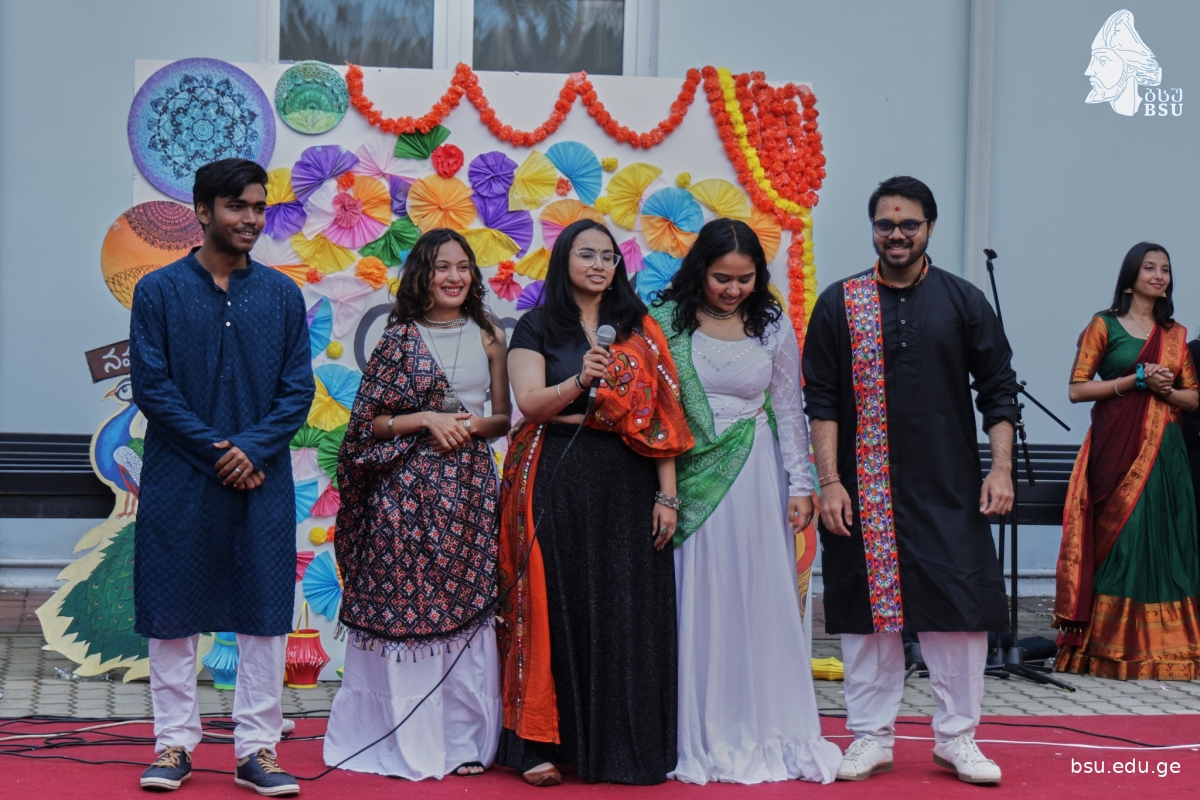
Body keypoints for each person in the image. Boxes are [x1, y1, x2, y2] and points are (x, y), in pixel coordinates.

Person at [801, 176, 1016, 786]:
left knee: (958, 611)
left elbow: (999, 391)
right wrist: (829, 480)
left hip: (949, 485)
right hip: (863, 486)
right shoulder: (841, 302)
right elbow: (821, 399)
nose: (896, 235)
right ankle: (870, 736)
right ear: (873, 228)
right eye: (885, 224)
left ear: (929, 228)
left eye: (909, 225)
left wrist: (1000, 470)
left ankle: (957, 737)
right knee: (868, 615)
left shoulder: (963, 300)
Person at [130, 158, 314, 795]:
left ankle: (257, 748)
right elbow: (153, 388)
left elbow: (297, 392)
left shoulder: (282, 295)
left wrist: (250, 450)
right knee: (171, 611)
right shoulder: (158, 291)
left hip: (260, 480)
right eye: (238, 206)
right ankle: (174, 743)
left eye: (259, 207)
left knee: (262, 610)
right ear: (203, 211)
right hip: (179, 478)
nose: (251, 219)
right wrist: (219, 453)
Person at [496, 218, 693, 786]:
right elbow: (530, 404)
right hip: (558, 472)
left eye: (609, 256)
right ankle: (540, 743)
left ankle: (623, 749)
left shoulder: (639, 328)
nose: (599, 265)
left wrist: (667, 496)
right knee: (555, 606)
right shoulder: (537, 325)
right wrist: (580, 381)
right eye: (587, 254)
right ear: (564, 260)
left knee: (625, 610)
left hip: (629, 480)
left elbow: (664, 419)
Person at [650, 219, 842, 785]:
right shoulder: (666, 322)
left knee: (755, 594)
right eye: (721, 278)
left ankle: (765, 725)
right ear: (699, 272)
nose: (733, 290)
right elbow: (655, 408)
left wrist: (801, 484)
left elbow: (787, 408)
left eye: (745, 279)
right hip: (686, 478)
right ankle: (695, 729)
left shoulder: (771, 324)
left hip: (755, 475)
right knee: (697, 595)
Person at [324, 229, 512, 778]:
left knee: (465, 608)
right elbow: (370, 424)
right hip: (402, 493)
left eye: (463, 267)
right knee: (404, 605)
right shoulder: (398, 338)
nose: (454, 277)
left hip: (469, 490)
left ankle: (463, 741)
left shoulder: (489, 335)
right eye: (441, 267)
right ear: (422, 276)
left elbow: (502, 418)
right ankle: (401, 740)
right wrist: (426, 419)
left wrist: (465, 426)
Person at [1055, 242, 1200, 680]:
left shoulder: (1175, 335)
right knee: (1124, 539)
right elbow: (1077, 389)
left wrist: (1164, 390)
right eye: (1149, 268)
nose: (1158, 275)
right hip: (1116, 448)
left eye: (1165, 270)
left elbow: (1193, 398)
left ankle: (1170, 649)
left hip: (1166, 454)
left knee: (1167, 543)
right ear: (1131, 276)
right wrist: (1135, 379)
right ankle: (1106, 648)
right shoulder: (1104, 325)